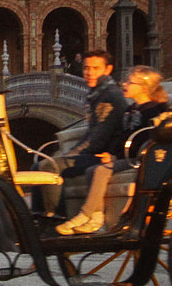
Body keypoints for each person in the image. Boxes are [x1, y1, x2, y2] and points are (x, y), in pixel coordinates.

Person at [53, 52, 135, 234]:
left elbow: (98, 138)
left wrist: (72, 154)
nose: (89, 73)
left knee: (49, 167)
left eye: (95, 68)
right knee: (44, 164)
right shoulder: (96, 93)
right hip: (96, 152)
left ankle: (52, 219)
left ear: (108, 70)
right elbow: (91, 133)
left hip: (102, 155)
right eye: (87, 68)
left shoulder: (111, 95)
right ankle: (45, 216)